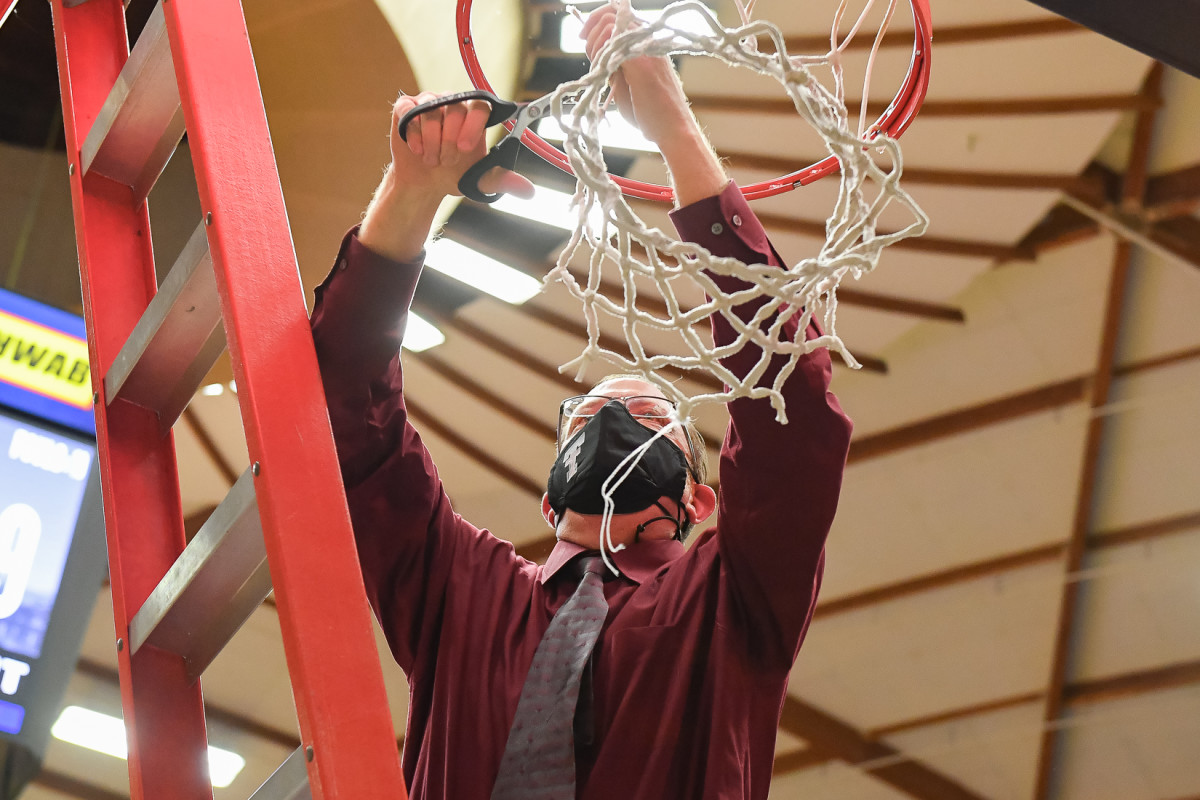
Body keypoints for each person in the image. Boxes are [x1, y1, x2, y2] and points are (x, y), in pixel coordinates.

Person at [310, 6, 853, 798]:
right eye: (589, 410)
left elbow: (792, 410)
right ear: (548, 490)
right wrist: (413, 191)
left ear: (699, 498)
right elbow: (343, 410)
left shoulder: (735, 597)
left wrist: (666, 117)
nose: (609, 413)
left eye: (646, 412)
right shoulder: (461, 587)